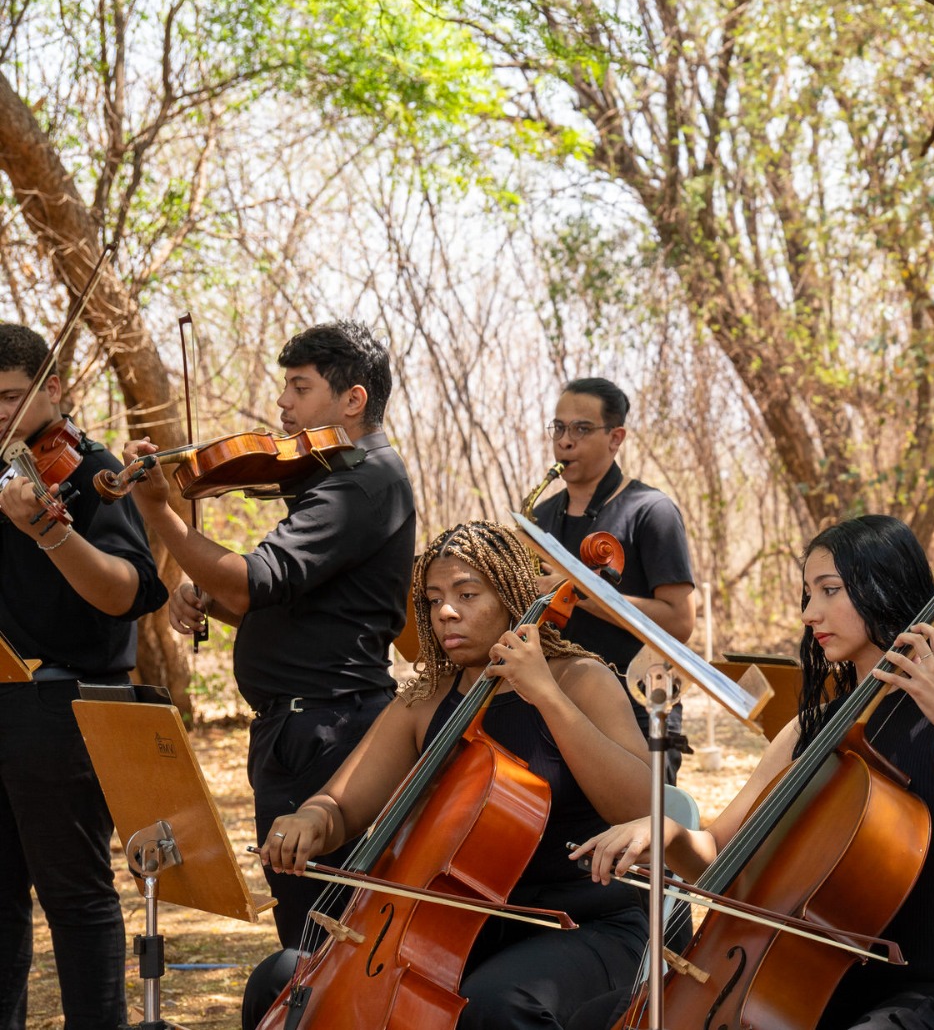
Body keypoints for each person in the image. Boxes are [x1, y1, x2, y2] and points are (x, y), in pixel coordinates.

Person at [577, 514, 934, 1030]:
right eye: (808, 594)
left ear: (886, 589)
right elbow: (720, 861)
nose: (810, 613)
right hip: (799, 986)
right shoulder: (806, 733)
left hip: (933, 993)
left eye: (830, 591)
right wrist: (667, 834)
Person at [248, 520, 651, 1029]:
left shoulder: (581, 680)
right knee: (279, 979)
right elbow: (341, 805)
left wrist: (545, 695)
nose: (446, 612)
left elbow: (641, 808)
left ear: (510, 597)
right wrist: (310, 818)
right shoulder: (426, 699)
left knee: (494, 1006)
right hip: (452, 929)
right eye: (434, 599)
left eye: (466, 593)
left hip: (585, 925)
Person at [121, 321, 416, 950]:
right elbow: (288, 607)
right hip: (296, 729)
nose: (282, 403)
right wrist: (214, 597)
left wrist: (158, 513)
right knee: (302, 933)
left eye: (299, 387)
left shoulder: (365, 481)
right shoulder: (332, 478)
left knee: (329, 937)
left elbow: (255, 581)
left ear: (353, 399)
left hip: (334, 735)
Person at [0, 323, 169, 1029]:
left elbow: (128, 593)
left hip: (64, 706)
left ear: (55, 389)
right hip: (5, 698)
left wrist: (52, 530)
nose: (0, 415)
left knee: (74, 897)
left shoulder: (90, 470)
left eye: (11, 397)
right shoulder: (5, 470)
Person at [527, 377, 695, 782]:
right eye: (559, 428)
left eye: (582, 429)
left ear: (616, 437)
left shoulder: (651, 511)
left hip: (637, 708)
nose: (565, 442)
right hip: (559, 703)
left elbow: (679, 621)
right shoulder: (541, 516)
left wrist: (575, 591)